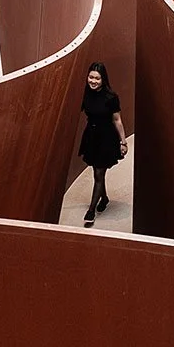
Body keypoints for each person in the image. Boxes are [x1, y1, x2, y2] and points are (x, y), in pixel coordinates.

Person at [78, 61, 126, 226]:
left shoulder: (111, 97)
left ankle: (91, 211)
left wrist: (123, 142)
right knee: (97, 172)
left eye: (97, 78)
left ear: (103, 79)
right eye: (90, 77)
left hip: (106, 138)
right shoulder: (86, 94)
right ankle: (104, 198)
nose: (93, 81)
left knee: (99, 174)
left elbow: (117, 120)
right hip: (91, 136)